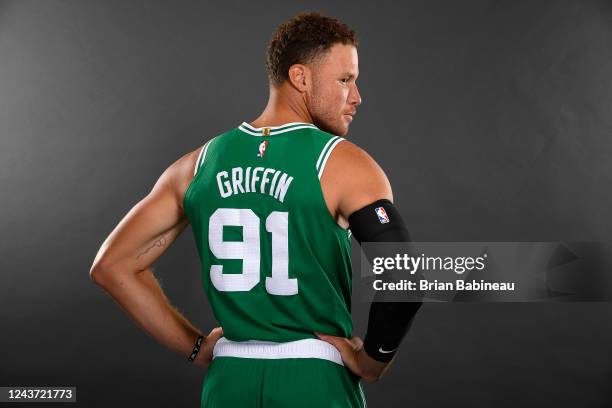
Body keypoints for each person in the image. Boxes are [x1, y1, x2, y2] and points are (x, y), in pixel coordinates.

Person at [90, 12, 420, 407]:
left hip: (228, 381)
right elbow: (403, 271)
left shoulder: (196, 165)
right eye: (345, 79)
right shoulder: (342, 163)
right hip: (313, 379)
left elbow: (112, 266)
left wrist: (196, 348)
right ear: (301, 78)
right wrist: (372, 361)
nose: (356, 95)